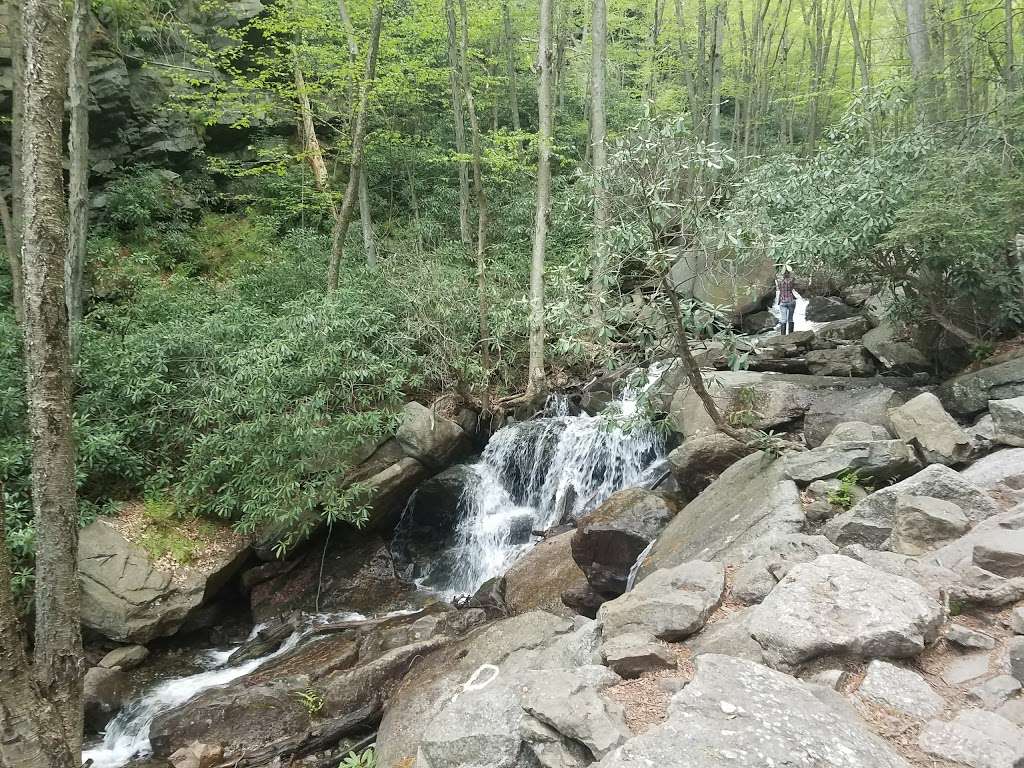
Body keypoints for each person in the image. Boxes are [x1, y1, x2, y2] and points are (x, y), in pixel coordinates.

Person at [776, 266, 797, 335]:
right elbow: (793, 285)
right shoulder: (791, 281)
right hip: (791, 300)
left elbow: (780, 291)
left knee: (783, 319)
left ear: (783, 274)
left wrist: (778, 301)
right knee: (790, 319)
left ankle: (783, 337)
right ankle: (791, 335)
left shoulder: (780, 282)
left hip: (783, 301)